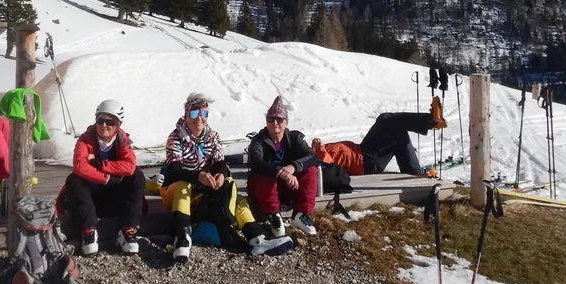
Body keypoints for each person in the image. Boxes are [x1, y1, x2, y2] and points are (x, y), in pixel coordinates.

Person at [161, 93, 293, 261]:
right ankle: (182, 237)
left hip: (202, 191)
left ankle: (257, 238)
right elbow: (174, 170)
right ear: (186, 115)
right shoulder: (175, 137)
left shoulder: (212, 136)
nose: (199, 119)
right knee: (183, 186)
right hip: (174, 191)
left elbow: (220, 163)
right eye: (194, 114)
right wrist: (198, 175)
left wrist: (221, 175)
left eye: (204, 114)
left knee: (234, 192)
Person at [58, 99, 145, 255]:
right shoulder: (85, 139)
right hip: (90, 200)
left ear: (118, 124)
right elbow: (80, 166)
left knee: (137, 176)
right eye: (100, 120)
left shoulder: (122, 140)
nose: (104, 125)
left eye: (109, 121)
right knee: (74, 179)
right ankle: (89, 231)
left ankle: (127, 230)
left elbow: (129, 167)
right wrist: (107, 178)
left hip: (114, 198)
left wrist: (101, 164)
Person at [312, 97, 448, 175]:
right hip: (365, 163)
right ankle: (432, 121)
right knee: (385, 119)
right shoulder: (310, 161)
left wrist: (318, 149)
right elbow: (329, 171)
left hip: (363, 151)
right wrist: (321, 151)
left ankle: (413, 172)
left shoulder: (308, 154)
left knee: (398, 133)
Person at [246, 96, 318, 237]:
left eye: (279, 119)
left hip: (288, 187)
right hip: (264, 189)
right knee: (265, 175)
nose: (275, 123)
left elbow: (312, 157)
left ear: (286, 122)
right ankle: (274, 215)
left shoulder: (294, 138)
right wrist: (281, 171)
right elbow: (256, 162)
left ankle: (300, 214)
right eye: (270, 119)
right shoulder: (259, 140)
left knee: (310, 170)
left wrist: (293, 167)